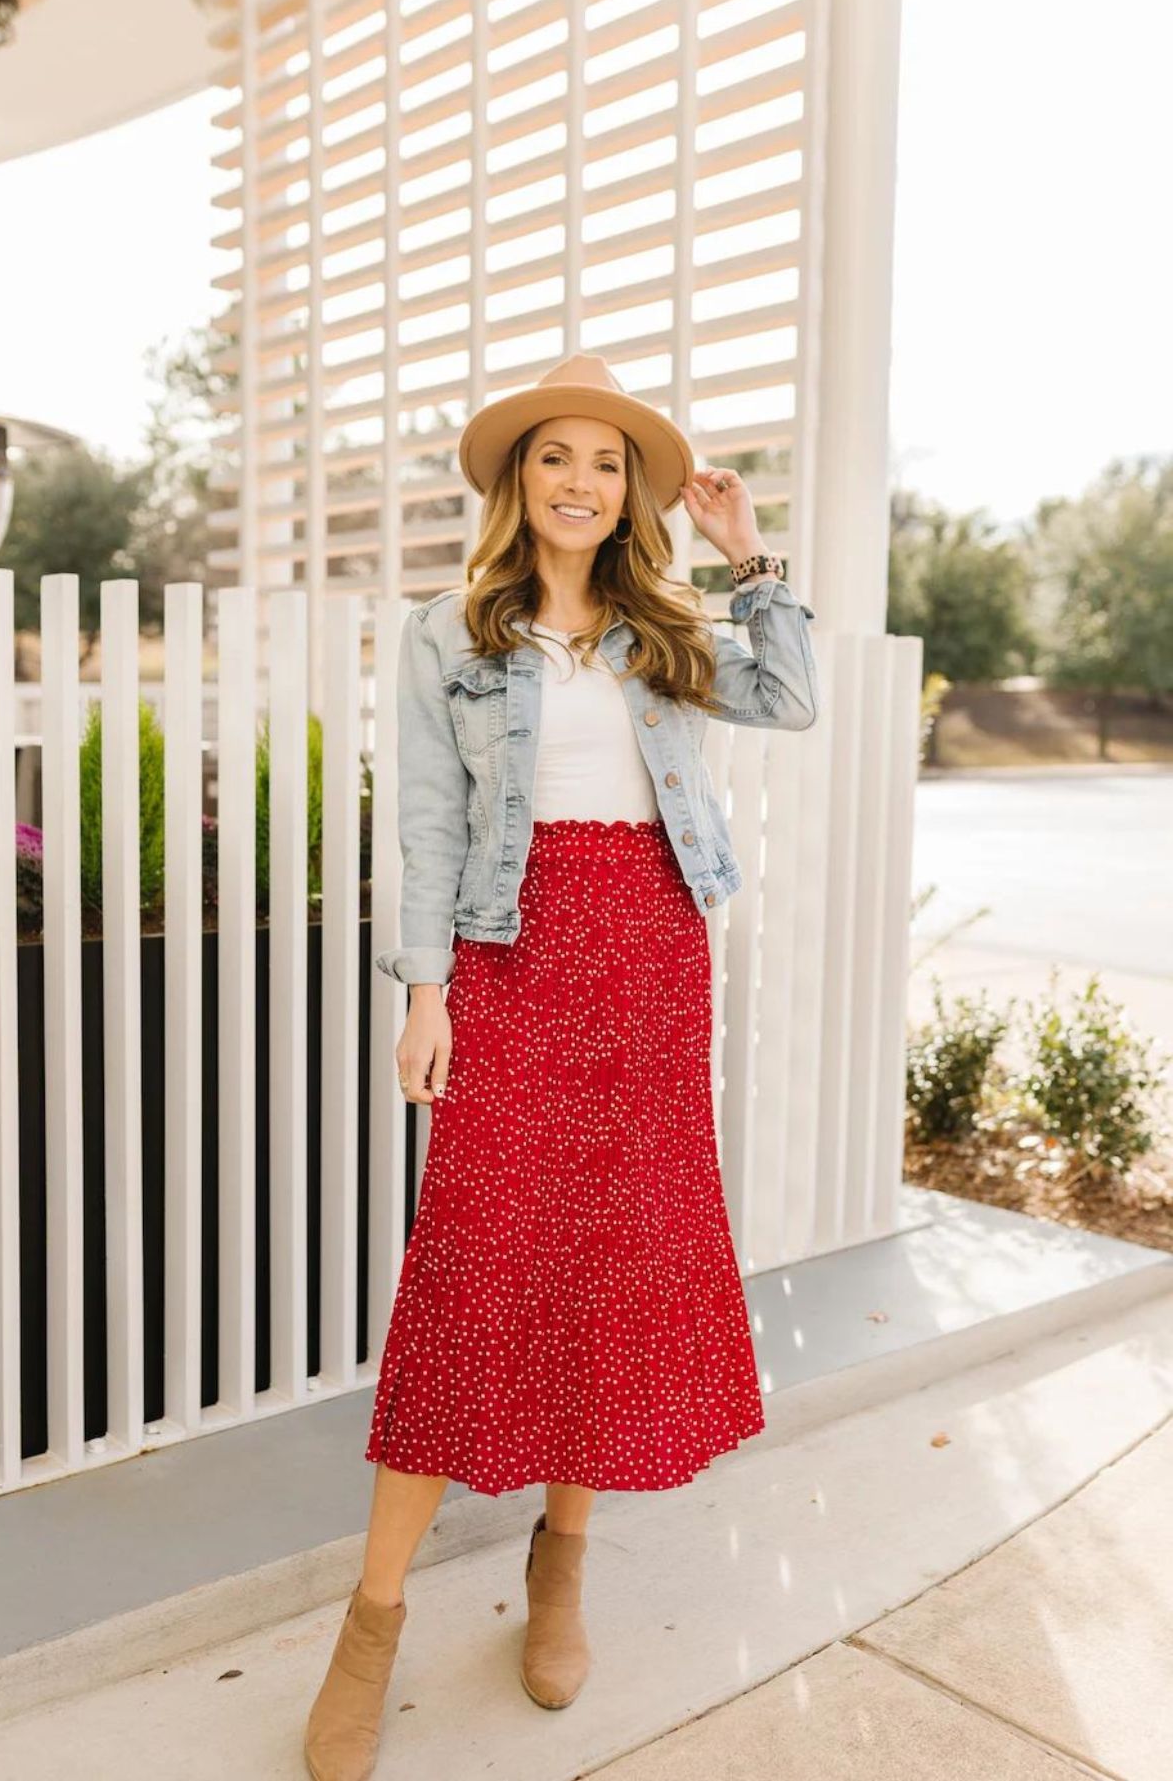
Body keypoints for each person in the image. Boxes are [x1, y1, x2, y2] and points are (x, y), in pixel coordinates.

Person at [304, 351, 821, 1780]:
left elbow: (793, 700)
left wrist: (748, 552)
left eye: (607, 462)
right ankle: (374, 1616)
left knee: (607, 1263)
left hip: (649, 955)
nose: (582, 483)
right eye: (556, 458)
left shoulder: (668, 625)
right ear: (518, 481)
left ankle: (562, 1563)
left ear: (631, 490)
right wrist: (426, 995)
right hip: (511, 955)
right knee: (472, 1265)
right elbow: (420, 820)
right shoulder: (449, 635)